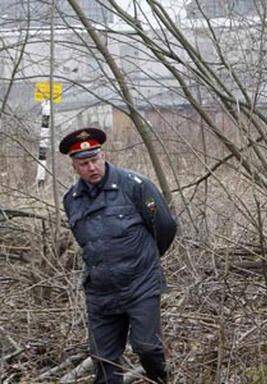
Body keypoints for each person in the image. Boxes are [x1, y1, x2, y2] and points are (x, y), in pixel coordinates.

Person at [60, 127, 177, 384]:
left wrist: (145, 260)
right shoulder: (72, 199)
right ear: (74, 167)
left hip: (140, 283)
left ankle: (159, 380)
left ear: (104, 156)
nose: (91, 167)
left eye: (95, 159)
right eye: (84, 163)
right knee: (104, 361)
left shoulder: (134, 185)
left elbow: (166, 227)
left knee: (147, 347)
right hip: (101, 292)